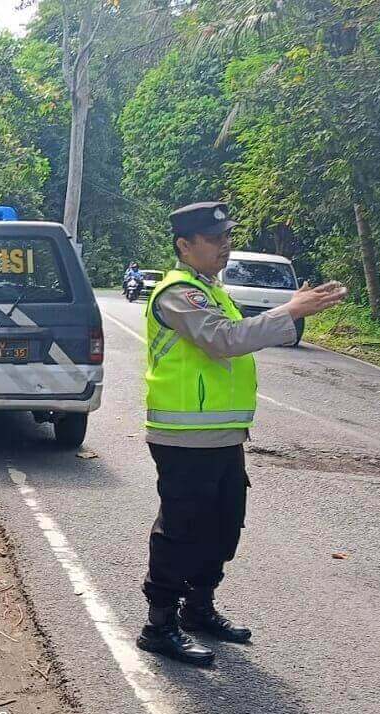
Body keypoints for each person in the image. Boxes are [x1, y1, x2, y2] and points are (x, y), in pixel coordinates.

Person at [136, 201, 347, 666]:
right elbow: (225, 340)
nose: (224, 245)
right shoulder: (178, 293)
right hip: (183, 437)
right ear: (184, 245)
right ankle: (159, 623)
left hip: (224, 435)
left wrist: (289, 314)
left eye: (227, 237)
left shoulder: (213, 290)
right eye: (214, 239)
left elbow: (239, 335)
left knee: (223, 524)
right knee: (181, 529)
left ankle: (199, 608)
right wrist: (291, 309)